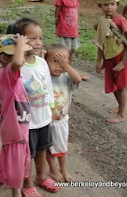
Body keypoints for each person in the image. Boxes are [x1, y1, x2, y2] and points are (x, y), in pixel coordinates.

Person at [17, 18, 60, 196]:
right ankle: (26, 184)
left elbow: (48, 86)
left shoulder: (42, 63)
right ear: (20, 40)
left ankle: (41, 177)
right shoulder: (17, 66)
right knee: (28, 154)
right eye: (32, 38)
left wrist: (52, 106)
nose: (38, 42)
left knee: (42, 149)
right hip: (26, 121)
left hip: (43, 117)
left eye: (40, 38)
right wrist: (19, 49)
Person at [0, 34, 32, 197]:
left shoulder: (4, 74)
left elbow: (23, 60)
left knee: (14, 164)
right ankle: (13, 192)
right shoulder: (8, 74)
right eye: (14, 53)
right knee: (14, 166)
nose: (21, 56)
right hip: (15, 131)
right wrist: (20, 43)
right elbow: (19, 62)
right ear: (4, 58)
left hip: (19, 127)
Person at [95, 0, 127, 123]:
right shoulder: (102, 21)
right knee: (113, 85)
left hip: (120, 57)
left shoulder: (120, 20)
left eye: (112, 4)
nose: (109, 7)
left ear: (117, 4)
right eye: (105, 4)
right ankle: (120, 107)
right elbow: (100, 42)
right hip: (109, 57)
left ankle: (121, 114)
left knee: (120, 86)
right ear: (100, 6)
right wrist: (99, 61)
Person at [45, 44, 81, 183]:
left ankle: (63, 169)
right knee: (47, 147)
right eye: (54, 61)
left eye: (62, 62)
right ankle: (53, 169)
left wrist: (66, 67)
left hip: (61, 120)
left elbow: (77, 79)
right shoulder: (44, 76)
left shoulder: (66, 77)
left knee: (61, 146)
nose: (58, 66)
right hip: (45, 120)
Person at [54, 0, 88, 81]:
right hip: (64, 30)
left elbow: (76, 14)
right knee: (64, 53)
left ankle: (69, 71)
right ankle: (61, 73)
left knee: (72, 52)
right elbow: (57, 15)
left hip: (73, 31)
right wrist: (57, 27)